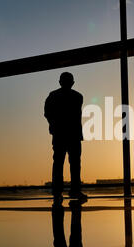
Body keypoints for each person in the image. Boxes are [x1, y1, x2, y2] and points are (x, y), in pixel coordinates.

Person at [44, 72, 87, 200]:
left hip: (59, 134)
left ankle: (57, 192)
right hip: (73, 135)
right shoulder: (78, 97)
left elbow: (47, 113)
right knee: (74, 164)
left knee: (58, 163)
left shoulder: (53, 96)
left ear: (60, 82)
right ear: (73, 83)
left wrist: (54, 126)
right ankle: (75, 191)